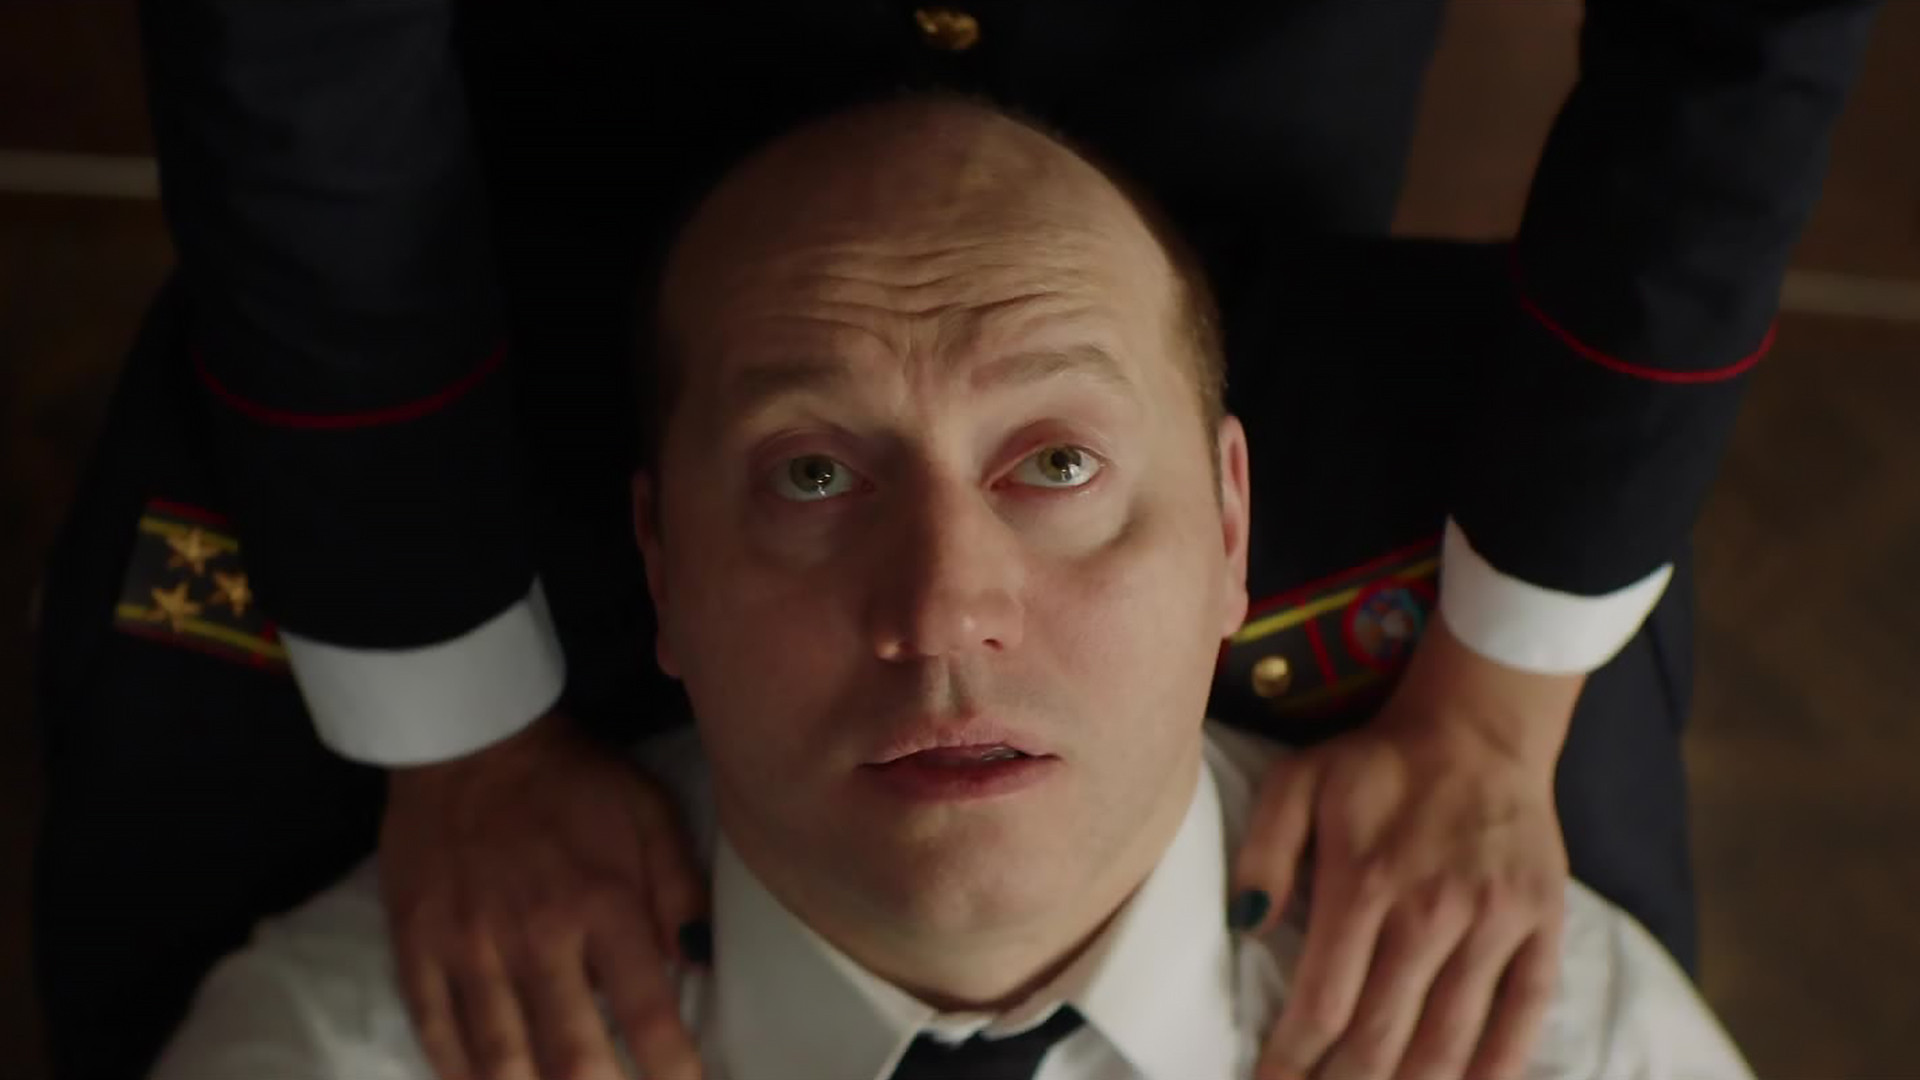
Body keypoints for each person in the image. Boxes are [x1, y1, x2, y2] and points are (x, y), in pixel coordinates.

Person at [32, 1, 1881, 1078]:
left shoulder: (1572, 1046)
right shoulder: (343, 1045)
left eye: (1056, 470)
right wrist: (454, 721)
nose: (941, 619)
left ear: (1233, 522)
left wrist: (1503, 688)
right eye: (815, 482)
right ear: (658, 565)